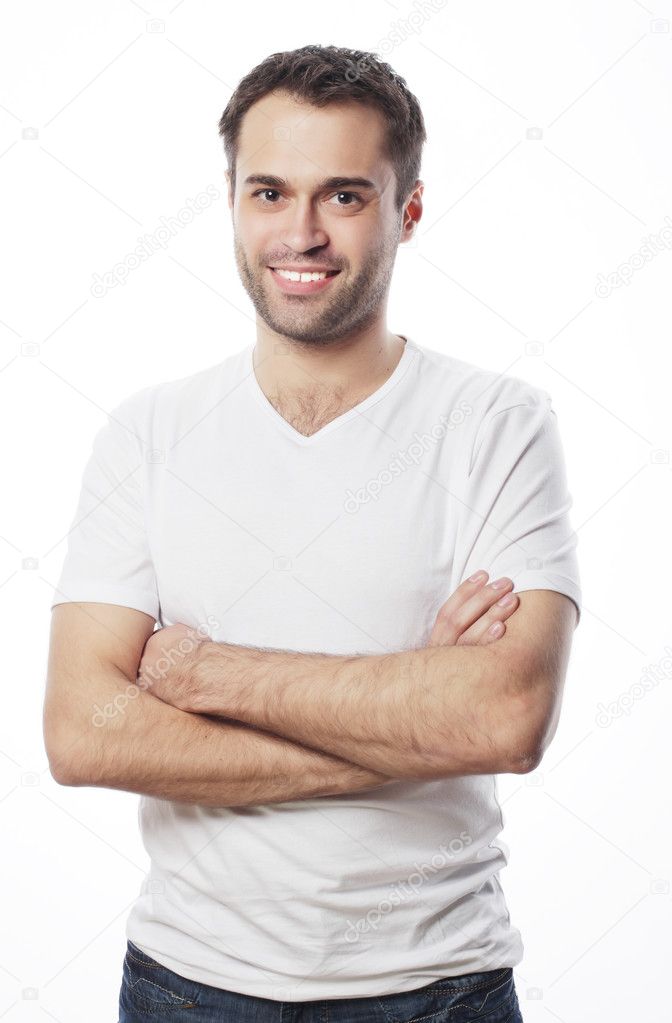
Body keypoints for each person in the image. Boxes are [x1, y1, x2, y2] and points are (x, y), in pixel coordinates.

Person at [43, 43, 582, 1023]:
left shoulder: (496, 424)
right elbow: (83, 733)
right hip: (185, 988)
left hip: (436, 991)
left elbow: (503, 720)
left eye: (343, 196)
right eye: (269, 193)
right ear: (233, 202)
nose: (301, 233)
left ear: (406, 211)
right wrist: (413, 716)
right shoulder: (149, 432)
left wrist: (209, 677)